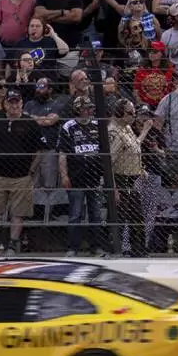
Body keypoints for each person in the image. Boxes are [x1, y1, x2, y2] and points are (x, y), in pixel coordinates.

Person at [0, 89, 42, 255]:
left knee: (18, 213)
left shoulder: (30, 124)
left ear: (22, 103)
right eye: (11, 102)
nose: (14, 105)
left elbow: (38, 152)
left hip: (21, 177)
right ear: (5, 104)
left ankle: (13, 245)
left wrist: (30, 171)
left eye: (17, 101)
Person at [58, 95, 109, 255]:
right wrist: (64, 175)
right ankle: (73, 247)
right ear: (78, 109)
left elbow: (105, 152)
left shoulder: (97, 125)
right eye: (86, 108)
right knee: (75, 214)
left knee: (96, 214)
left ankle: (96, 246)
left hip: (94, 176)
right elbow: (62, 153)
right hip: (76, 177)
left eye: (90, 108)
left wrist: (103, 175)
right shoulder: (68, 127)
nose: (89, 111)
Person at [108, 98, 146, 256]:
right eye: (131, 113)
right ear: (119, 114)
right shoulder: (115, 131)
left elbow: (134, 147)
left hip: (132, 176)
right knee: (121, 216)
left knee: (137, 215)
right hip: (120, 178)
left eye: (134, 113)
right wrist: (114, 188)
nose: (134, 116)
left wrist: (140, 167)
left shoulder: (127, 128)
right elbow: (109, 161)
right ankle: (115, 249)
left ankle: (138, 249)